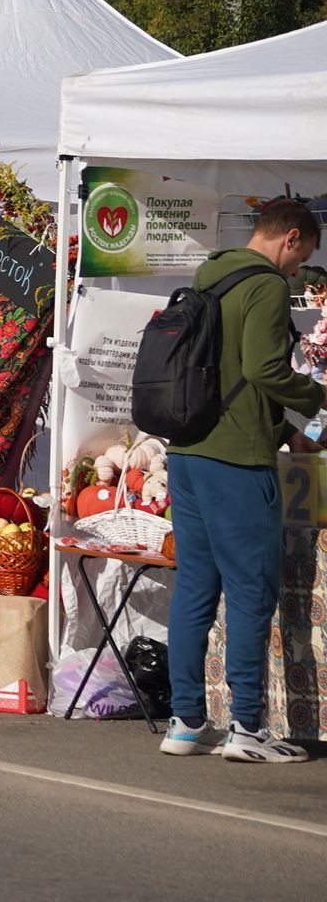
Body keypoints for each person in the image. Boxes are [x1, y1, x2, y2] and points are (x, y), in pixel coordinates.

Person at [160, 200, 325, 762]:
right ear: (291, 237)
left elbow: (230, 377)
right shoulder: (267, 287)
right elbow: (263, 370)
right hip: (236, 463)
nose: (299, 269)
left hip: (187, 453)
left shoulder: (212, 275)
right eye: (303, 256)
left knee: (195, 591)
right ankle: (248, 728)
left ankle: (184, 723)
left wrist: (282, 428)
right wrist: (316, 398)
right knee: (252, 592)